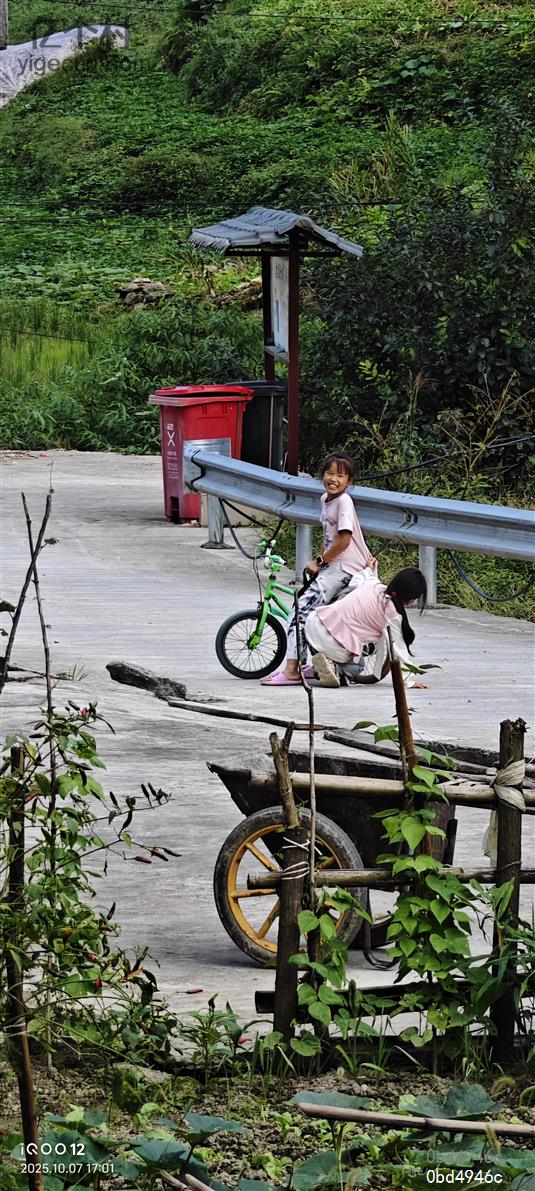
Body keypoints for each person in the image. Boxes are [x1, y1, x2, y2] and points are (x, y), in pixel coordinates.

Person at [260, 451, 377, 686]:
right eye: (329, 473)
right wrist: (321, 562)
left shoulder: (344, 501)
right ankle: (314, 664)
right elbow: (333, 536)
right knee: (318, 614)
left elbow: (344, 540)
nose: (333, 479)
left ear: (349, 482)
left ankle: (292, 671)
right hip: (336, 567)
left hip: (344, 569)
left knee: (300, 610)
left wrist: (320, 561)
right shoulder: (326, 499)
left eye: (340, 476)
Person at [304, 567, 428, 688]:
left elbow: (359, 577)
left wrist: (370, 568)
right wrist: (407, 681)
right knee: (358, 666)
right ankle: (334, 669)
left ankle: (319, 664)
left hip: (314, 623)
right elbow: (398, 651)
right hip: (332, 645)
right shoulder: (392, 615)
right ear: (412, 598)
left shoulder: (373, 584)